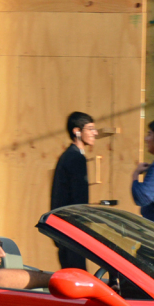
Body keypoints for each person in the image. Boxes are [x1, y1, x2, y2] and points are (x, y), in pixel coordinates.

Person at [50, 111, 98, 269]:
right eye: (90, 129)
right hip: (72, 230)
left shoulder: (69, 156)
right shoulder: (76, 157)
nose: (95, 133)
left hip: (64, 230)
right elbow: (78, 199)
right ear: (77, 131)